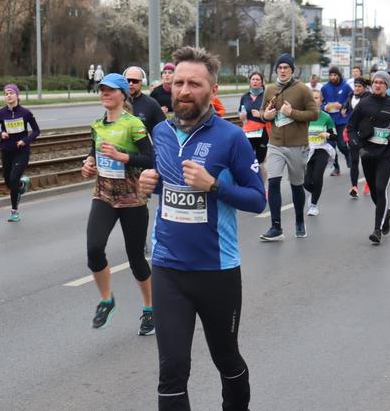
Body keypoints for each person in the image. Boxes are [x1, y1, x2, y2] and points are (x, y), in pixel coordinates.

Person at [137, 46, 265, 410]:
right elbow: (170, 184)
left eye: (194, 83)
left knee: (226, 359)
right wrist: (151, 184)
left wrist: (214, 185)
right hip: (168, 269)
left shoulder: (231, 138)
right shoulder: (160, 133)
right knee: (172, 370)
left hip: (217, 272)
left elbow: (258, 200)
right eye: (178, 82)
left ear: (213, 89)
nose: (184, 90)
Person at [79, 73, 155, 335]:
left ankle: (149, 308)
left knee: (136, 258)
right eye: (101, 90)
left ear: (123, 94)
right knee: (94, 249)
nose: (104, 94)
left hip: (132, 198)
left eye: (110, 90)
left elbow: (151, 159)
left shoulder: (133, 124)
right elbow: (94, 154)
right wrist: (88, 165)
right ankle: (106, 299)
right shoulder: (96, 126)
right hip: (104, 195)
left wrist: (122, 156)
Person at [259, 53, 319, 241]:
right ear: (276, 70)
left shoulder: (302, 89)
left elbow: (314, 114)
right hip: (275, 143)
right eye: (280, 68)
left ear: (292, 70)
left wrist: (291, 112)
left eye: (286, 68)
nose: (283, 71)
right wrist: (265, 116)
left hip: (297, 144)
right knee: (274, 182)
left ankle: (299, 220)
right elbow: (263, 111)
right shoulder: (270, 89)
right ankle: (276, 227)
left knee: (296, 185)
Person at [347, 71, 390, 244]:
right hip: (368, 153)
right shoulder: (364, 104)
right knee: (374, 191)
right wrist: (358, 147)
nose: (378, 85)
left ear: (387, 85)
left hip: (386, 153)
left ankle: (377, 230)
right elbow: (351, 127)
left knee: (381, 189)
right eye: (375, 82)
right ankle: (386, 213)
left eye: (382, 82)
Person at [0, 84, 40, 222]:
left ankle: (14, 211)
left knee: (13, 179)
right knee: (8, 181)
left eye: (11, 93)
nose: (9, 95)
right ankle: (21, 185)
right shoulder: (0, 113)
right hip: (6, 150)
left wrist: (25, 141)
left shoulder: (25, 113)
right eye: (6, 93)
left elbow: (36, 131)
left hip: (21, 151)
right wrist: (1, 134)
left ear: (17, 95)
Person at [304, 89, 336, 216]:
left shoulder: (326, 117)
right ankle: (314, 193)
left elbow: (335, 135)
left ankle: (313, 205)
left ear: (321, 100)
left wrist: (327, 134)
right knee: (305, 182)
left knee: (317, 178)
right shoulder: (304, 116)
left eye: (317, 98)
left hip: (321, 150)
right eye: (311, 98)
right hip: (306, 150)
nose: (314, 100)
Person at [321, 66, 353, 176]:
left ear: (339, 75)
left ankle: (348, 154)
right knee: (330, 146)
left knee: (341, 144)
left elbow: (351, 100)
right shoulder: (325, 88)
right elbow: (321, 101)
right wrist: (324, 106)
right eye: (331, 75)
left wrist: (342, 105)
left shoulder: (345, 86)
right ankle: (336, 168)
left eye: (335, 75)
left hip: (342, 120)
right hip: (329, 120)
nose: (333, 77)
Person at [342, 77, 371, 197]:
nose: (357, 88)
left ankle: (369, 183)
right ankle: (354, 187)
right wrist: (344, 108)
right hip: (352, 131)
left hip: (365, 132)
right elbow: (347, 104)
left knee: (366, 160)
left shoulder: (369, 97)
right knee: (354, 160)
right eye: (355, 86)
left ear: (364, 88)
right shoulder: (350, 95)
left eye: (359, 86)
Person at [238, 71, 269, 183]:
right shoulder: (244, 97)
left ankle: (263, 186)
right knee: (248, 160)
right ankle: (251, 184)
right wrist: (242, 117)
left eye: (257, 80)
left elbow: (271, 114)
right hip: (248, 132)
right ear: (250, 81)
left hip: (263, 132)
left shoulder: (266, 95)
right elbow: (240, 112)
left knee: (260, 162)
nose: (255, 82)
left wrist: (261, 115)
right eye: (253, 79)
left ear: (262, 82)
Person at [124, 66, 166, 137]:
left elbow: (163, 131)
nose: (131, 84)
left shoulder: (152, 104)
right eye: (128, 80)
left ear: (142, 82)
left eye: (135, 81)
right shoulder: (117, 103)